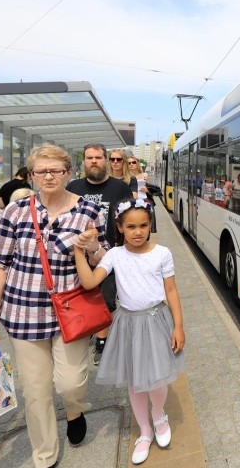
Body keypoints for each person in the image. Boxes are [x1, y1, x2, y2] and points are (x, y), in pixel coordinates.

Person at [0, 144, 108, 468]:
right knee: (35, 392)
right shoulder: (15, 212)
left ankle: (74, 408)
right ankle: (44, 457)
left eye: (56, 170)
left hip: (71, 311)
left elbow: (104, 261)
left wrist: (93, 250)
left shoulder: (89, 212)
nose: (48, 176)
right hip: (23, 313)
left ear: (68, 173)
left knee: (70, 383)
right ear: (32, 175)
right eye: (41, 171)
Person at [73, 199, 185, 465]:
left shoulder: (163, 253)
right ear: (120, 227)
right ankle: (144, 431)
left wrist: (179, 326)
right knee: (136, 382)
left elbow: (171, 291)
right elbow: (89, 282)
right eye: (131, 226)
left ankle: (159, 415)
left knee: (157, 378)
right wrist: (79, 252)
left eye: (143, 225)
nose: (138, 231)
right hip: (128, 324)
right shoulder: (114, 255)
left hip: (158, 320)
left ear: (150, 226)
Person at [66, 144, 134, 366]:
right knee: (80, 297)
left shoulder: (119, 188)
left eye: (98, 157)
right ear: (84, 161)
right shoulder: (73, 187)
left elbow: (128, 220)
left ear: (105, 160)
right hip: (75, 254)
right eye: (89, 158)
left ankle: (102, 342)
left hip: (110, 253)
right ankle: (85, 330)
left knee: (106, 299)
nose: (94, 161)